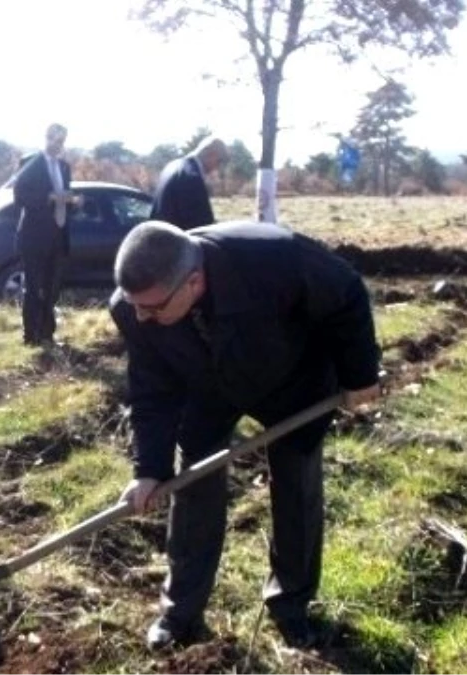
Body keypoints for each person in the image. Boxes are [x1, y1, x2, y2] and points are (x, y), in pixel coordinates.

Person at [109, 220, 381, 650]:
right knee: (193, 481)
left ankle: (291, 605)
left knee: (296, 485)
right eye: (134, 306)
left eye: (154, 308)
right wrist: (149, 469)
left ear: (193, 282)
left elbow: (345, 294)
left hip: (293, 377)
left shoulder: (276, 258)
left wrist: (360, 375)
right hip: (209, 385)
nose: (141, 316)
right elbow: (152, 390)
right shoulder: (134, 309)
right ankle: (181, 612)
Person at [12, 123, 80, 346]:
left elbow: (63, 202)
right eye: (54, 140)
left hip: (58, 236)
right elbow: (20, 198)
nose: (58, 145)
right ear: (46, 138)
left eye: (62, 141)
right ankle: (30, 336)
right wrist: (50, 197)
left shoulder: (64, 167)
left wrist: (73, 202)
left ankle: (48, 334)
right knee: (33, 288)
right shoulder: (29, 163)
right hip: (34, 237)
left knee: (52, 289)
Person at [151, 136, 228, 230]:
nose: (217, 167)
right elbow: (201, 228)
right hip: (175, 242)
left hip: (158, 238)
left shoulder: (171, 166)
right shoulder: (192, 177)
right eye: (219, 161)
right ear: (211, 154)